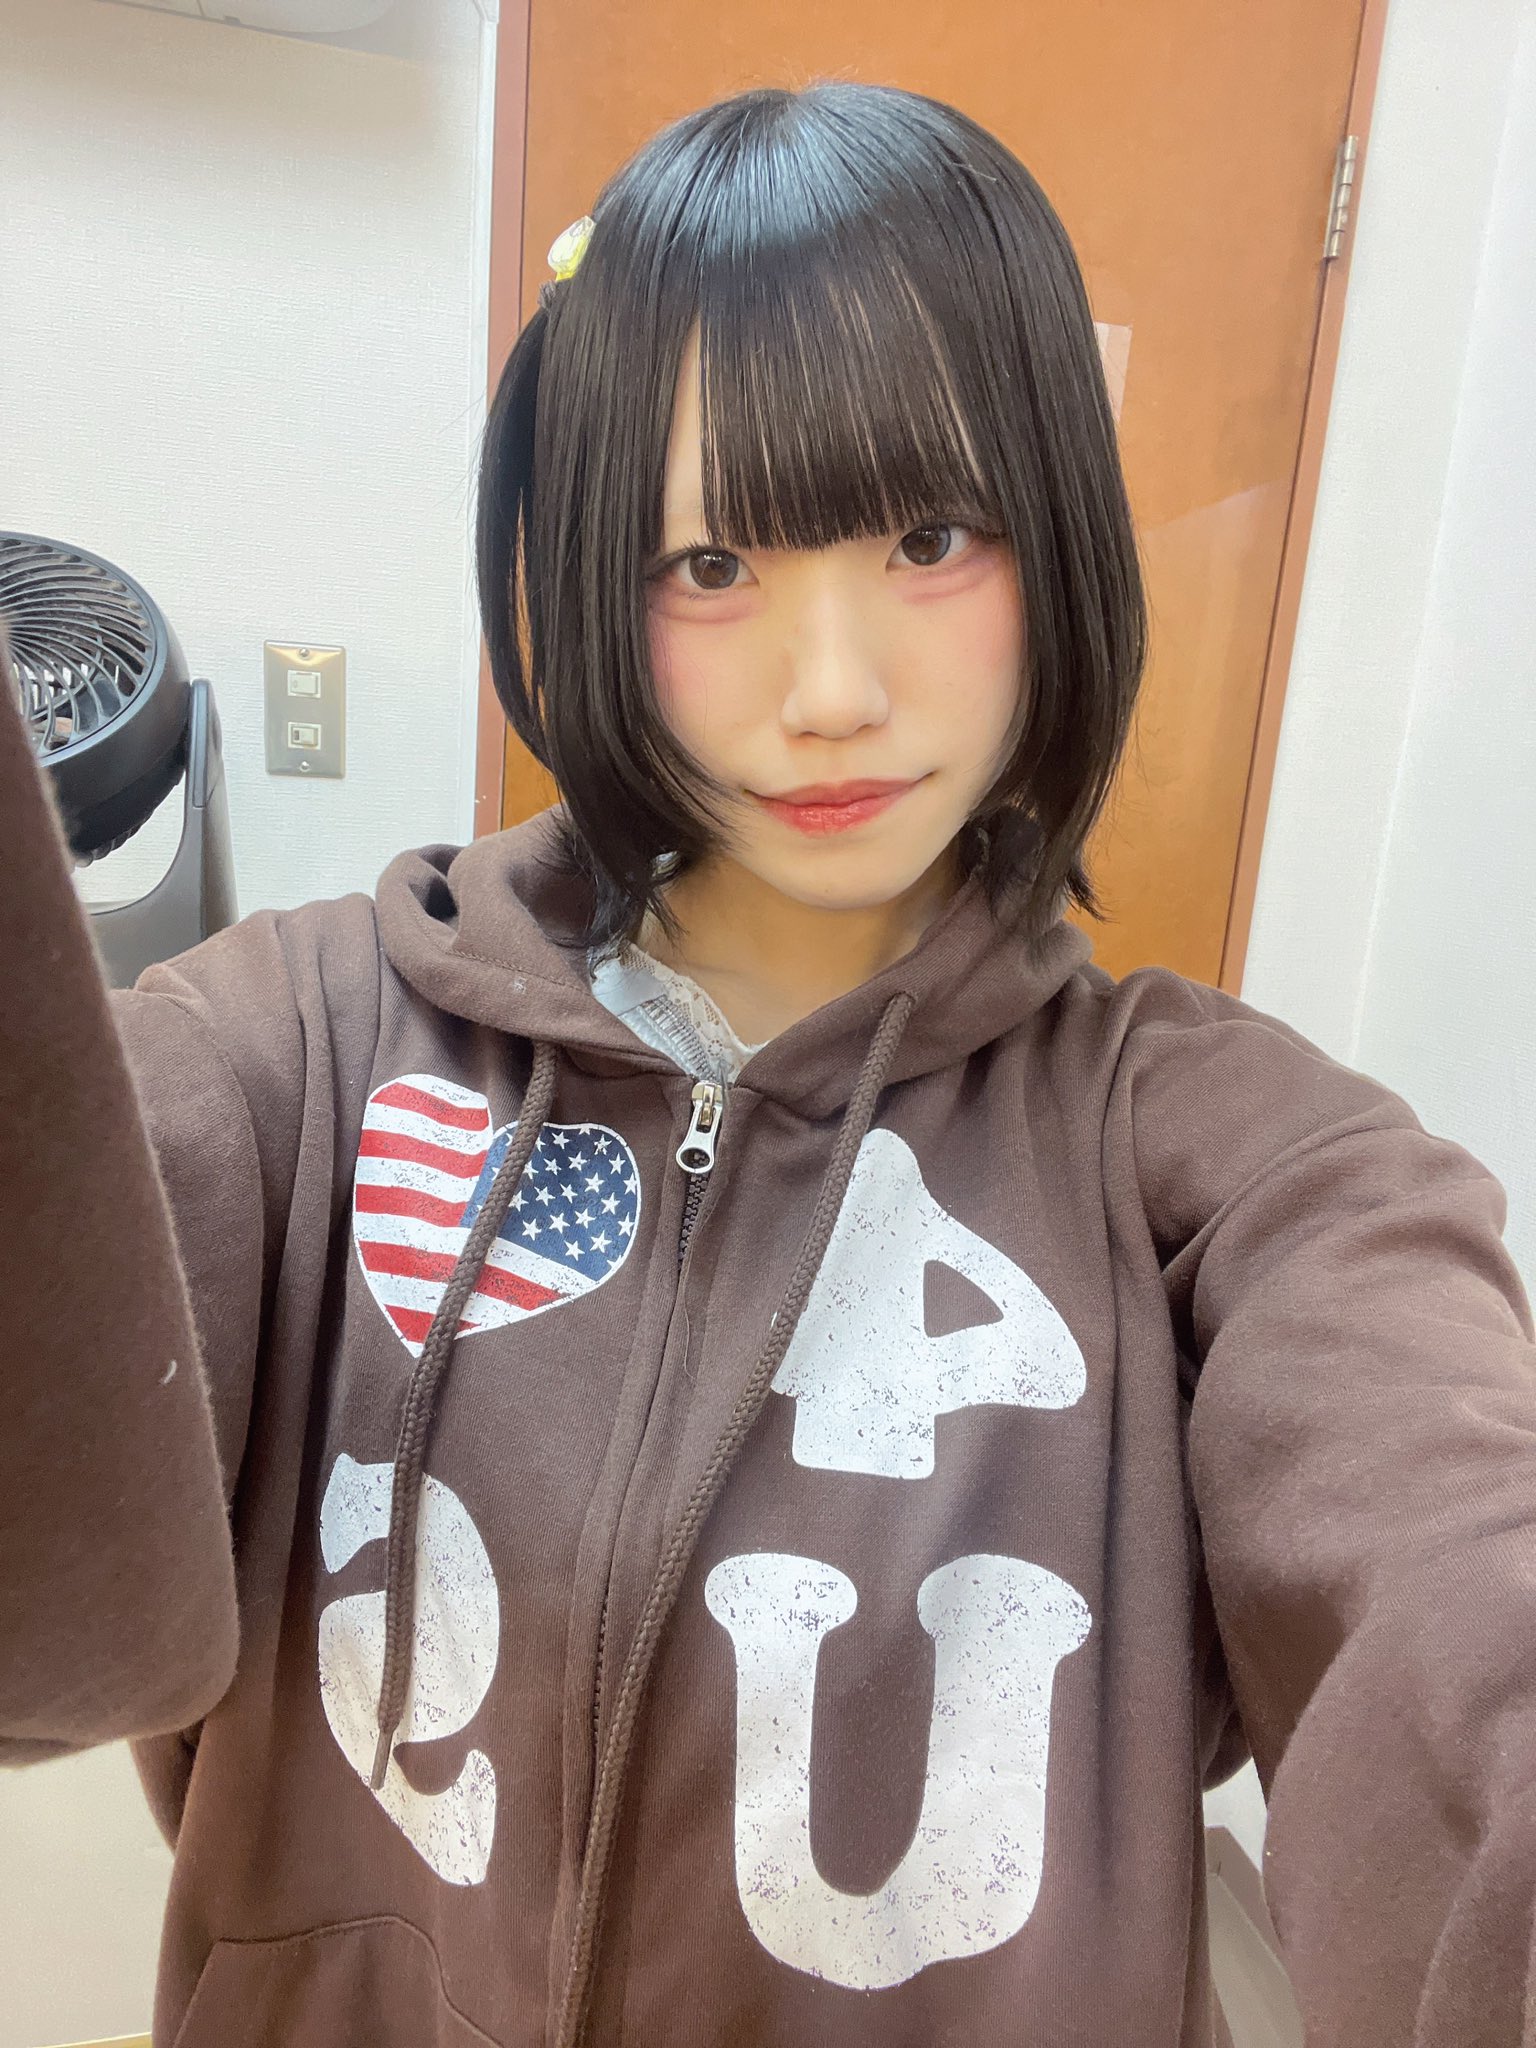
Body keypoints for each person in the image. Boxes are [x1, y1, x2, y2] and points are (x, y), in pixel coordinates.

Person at [2, 80, 1533, 2048]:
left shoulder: (1234, 1167)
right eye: (710, 566)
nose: (832, 692)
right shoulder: (295, 1047)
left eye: (929, 538)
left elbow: (1455, 1587)